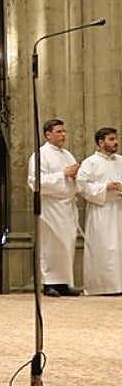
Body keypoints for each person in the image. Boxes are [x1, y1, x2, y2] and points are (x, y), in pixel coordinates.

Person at [27, 118, 81, 297]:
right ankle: (48, 283)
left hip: (66, 206)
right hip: (50, 206)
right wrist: (63, 174)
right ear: (47, 134)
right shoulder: (40, 155)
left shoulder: (68, 155)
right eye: (59, 131)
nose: (63, 135)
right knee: (51, 245)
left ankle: (64, 282)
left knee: (67, 244)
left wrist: (75, 177)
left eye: (64, 131)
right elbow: (35, 182)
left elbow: (74, 178)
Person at [77, 126, 122, 295]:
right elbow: (82, 186)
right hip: (101, 211)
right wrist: (105, 187)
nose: (116, 142)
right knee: (104, 248)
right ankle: (101, 287)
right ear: (101, 142)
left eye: (116, 138)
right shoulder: (90, 163)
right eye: (111, 139)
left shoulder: (120, 161)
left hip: (118, 209)